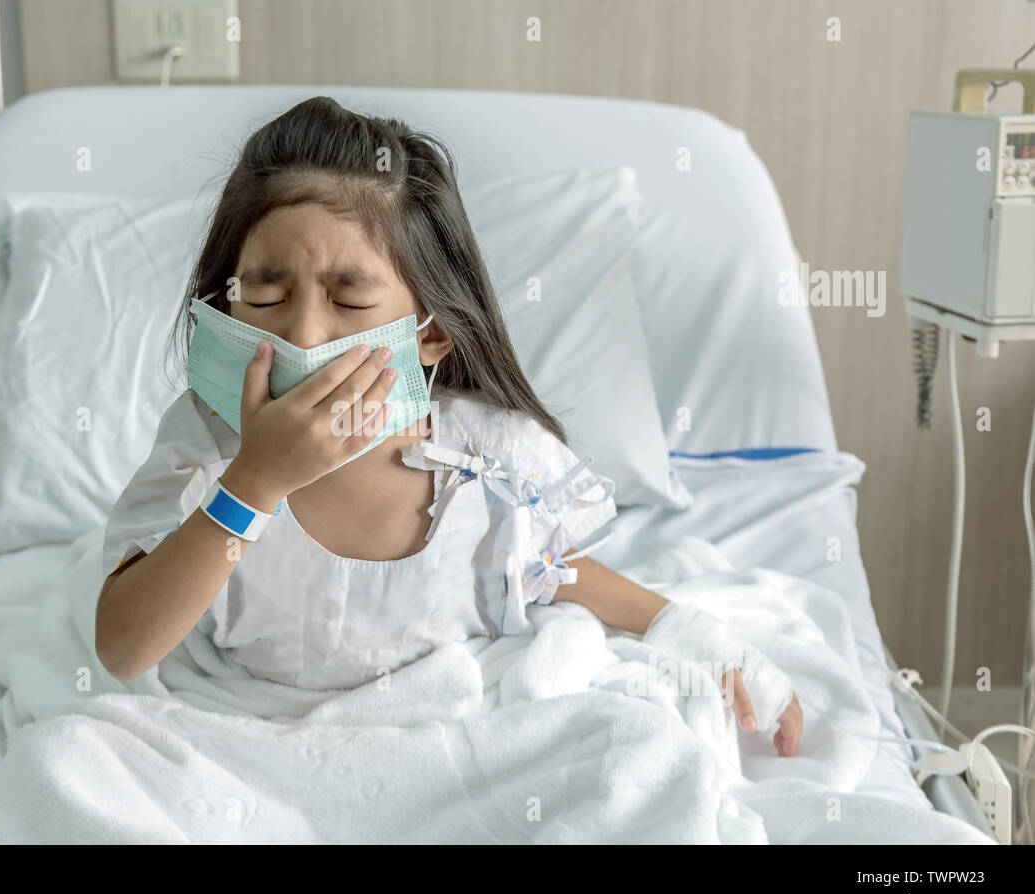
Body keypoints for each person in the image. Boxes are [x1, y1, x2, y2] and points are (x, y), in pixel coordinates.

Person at [95, 96, 803, 755]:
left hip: (440, 746)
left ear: (430, 336)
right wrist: (254, 481)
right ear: (226, 303)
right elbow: (125, 647)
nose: (304, 335)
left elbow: (547, 569)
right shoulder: (207, 447)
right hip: (249, 741)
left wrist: (692, 633)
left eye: (350, 299)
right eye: (268, 292)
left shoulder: (488, 461)